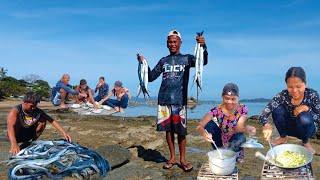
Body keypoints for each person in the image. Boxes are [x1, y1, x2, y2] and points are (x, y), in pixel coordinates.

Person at [137, 30, 208, 172]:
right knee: (168, 131)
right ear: (166, 44)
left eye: (175, 41)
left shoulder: (187, 59)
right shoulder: (163, 61)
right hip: (163, 99)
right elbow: (150, 77)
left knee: (181, 132)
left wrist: (203, 47)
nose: (172, 44)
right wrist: (143, 64)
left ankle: (182, 159)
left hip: (180, 100)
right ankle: (172, 157)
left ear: (180, 43)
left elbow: (202, 62)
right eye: (170, 41)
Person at [260, 67, 319, 155]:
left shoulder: (312, 95)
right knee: (277, 109)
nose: (294, 91)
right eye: (290, 87)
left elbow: (318, 117)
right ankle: (283, 137)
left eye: (298, 86)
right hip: (289, 128)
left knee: (304, 117)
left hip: (307, 129)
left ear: (305, 84)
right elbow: (264, 113)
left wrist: (307, 109)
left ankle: (305, 142)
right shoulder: (283, 95)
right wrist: (266, 124)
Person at [197, 83, 256, 162]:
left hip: (235, 140)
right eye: (227, 98)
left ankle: (232, 154)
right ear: (222, 97)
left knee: (241, 138)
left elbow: (239, 127)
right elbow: (200, 125)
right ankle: (221, 152)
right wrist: (204, 133)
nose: (230, 102)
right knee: (209, 124)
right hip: (221, 140)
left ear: (238, 98)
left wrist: (246, 128)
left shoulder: (242, 109)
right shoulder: (216, 110)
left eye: (233, 99)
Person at [7, 92, 72, 155]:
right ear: (24, 102)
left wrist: (64, 133)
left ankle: (31, 142)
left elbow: (51, 120)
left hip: (27, 135)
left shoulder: (36, 110)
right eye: (31, 106)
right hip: (16, 135)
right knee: (15, 123)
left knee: (43, 120)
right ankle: (15, 144)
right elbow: (10, 127)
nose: (33, 108)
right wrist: (14, 143)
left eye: (35, 106)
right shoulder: (15, 111)